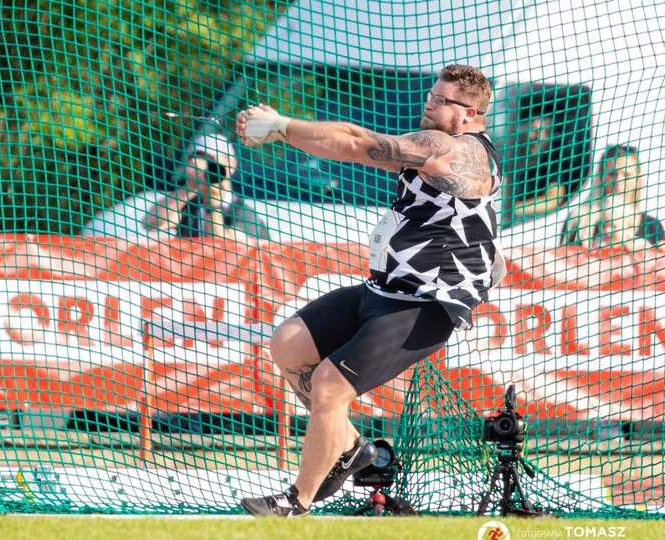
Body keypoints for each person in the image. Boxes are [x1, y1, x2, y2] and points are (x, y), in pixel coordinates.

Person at [234, 64, 504, 517]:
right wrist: (283, 132)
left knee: (328, 385)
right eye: (431, 96)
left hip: (427, 304)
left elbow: (358, 145)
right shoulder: (431, 142)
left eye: (441, 101)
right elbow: (352, 133)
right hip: (383, 290)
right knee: (288, 345)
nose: (429, 104)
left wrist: (281, 126)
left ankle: (296, 501)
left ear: (470, 113)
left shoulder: (459, 150)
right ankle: (353, 448)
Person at [144, 132, 270, 242]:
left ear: (231, 164)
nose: (204, 166)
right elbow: (150, 223)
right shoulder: (191, 207)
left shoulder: (243, 212)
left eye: (210, 159)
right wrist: (190, 188)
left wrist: (213, 205)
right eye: (197, 157)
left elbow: (222, 248)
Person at [561, 144, 664, 250]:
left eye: (626, 174)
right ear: (601, 177)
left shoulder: (652, 226)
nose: (618, 181)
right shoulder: (578, 221)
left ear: (637, 179)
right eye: (612, 174)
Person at [502, 114, 564, 225]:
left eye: (545, 132)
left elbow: (553, 200)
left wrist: (513, 208)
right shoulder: (510, 158)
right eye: (533, 130)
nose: (538, 137)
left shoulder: (552, 166)